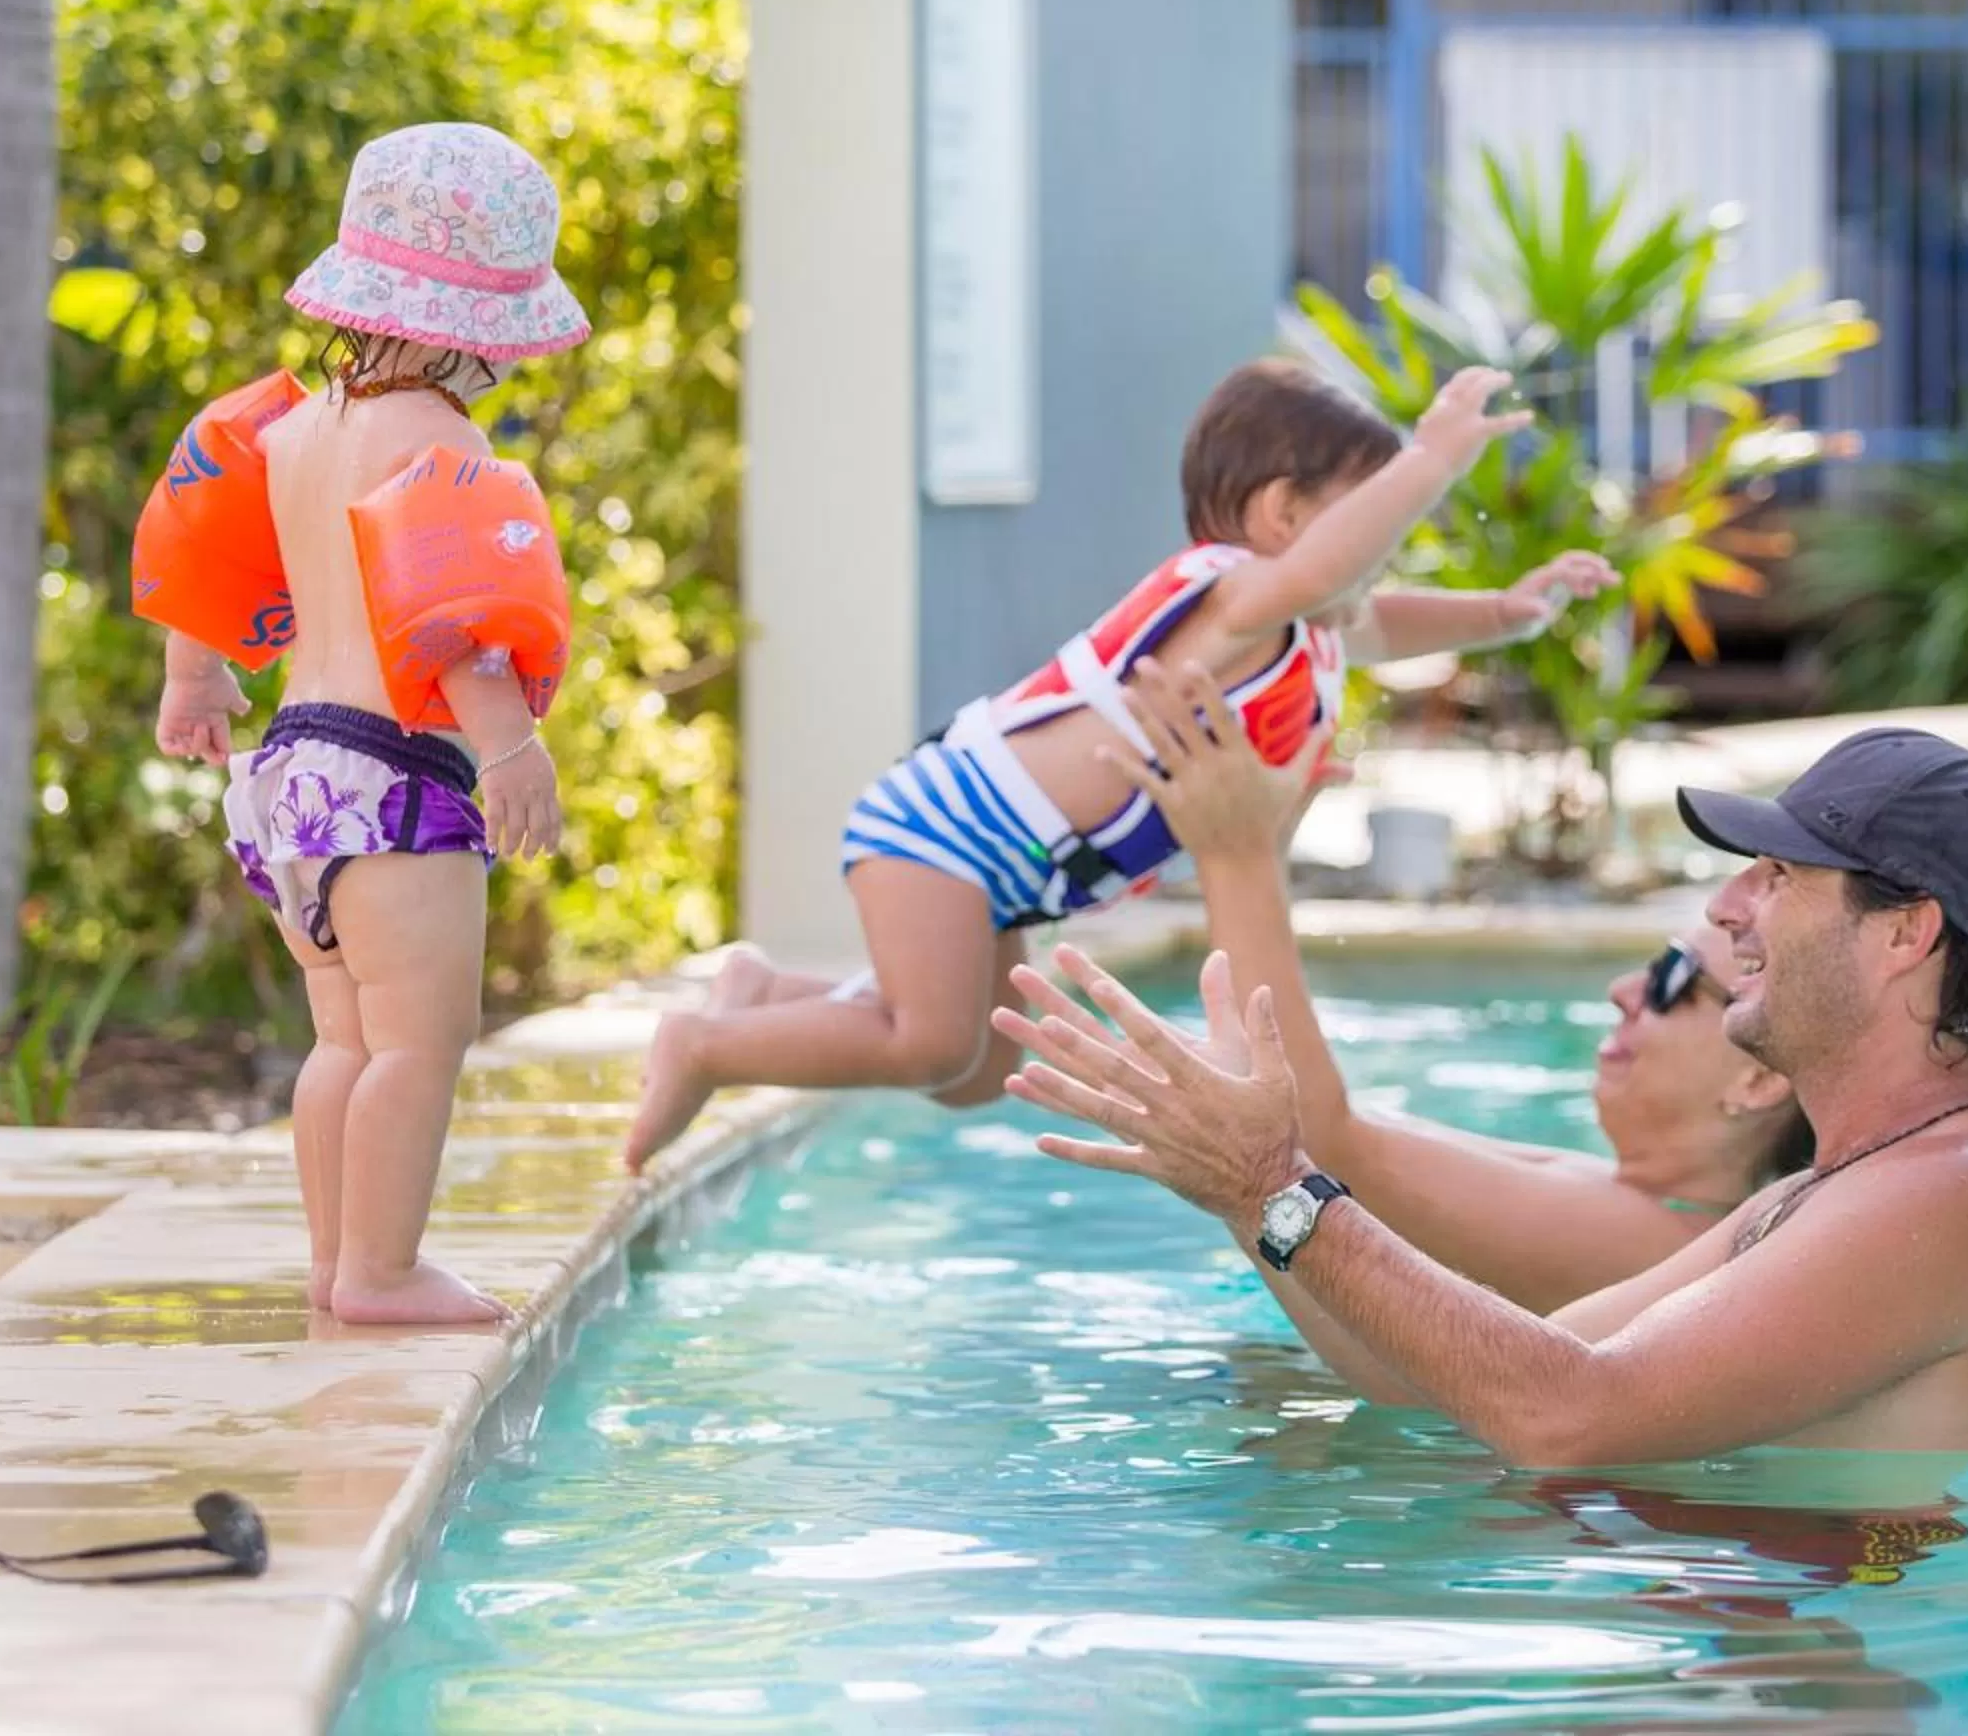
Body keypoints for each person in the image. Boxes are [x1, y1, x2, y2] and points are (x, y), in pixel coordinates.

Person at [621, 359, 1620, 1170]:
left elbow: (1389, 620)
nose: (1382, 552)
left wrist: (1507, 611)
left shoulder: (1308, 627)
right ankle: (703, 1046)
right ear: (1282, 514)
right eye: (1371, 517)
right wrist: (1432, 458)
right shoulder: (1230, 597)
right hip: (944, 828)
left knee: (976, 1072)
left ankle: (765, 991)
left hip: (1013, 867)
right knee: (928, 1041)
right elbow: (1329, 570)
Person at [996, 727, 1968, 1462]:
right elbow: (1442, 1381)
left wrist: (1278, 1186)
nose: (1731, 906)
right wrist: (1243, 1192)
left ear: (1906, 933)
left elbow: (1565, 1412)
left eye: (1778, 874)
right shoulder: (1815, 1196)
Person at [139, 121, 586, 1324]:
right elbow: (453, 615)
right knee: (422, 1040)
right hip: (394, 779)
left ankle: (338, 1260)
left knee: (344, 1038)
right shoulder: (434, 434)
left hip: (293, 777)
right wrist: (511, 746)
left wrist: (195, 681)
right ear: (463, 330)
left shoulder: (289, 432)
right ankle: (383, 1270)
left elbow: (206, 560)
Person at [1104, 658, 1811, 1315]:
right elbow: (1344, 1134)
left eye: (1671, 979)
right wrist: (1263, 833)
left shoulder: (1653, 1243)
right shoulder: (1632, 1197)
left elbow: (1310, 1144)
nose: (1624, 991)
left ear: (1756, 1081)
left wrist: (1236, 852)